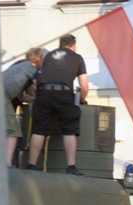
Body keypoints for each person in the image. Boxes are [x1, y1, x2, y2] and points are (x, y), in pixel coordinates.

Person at [26, 34, 88, 176]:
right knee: (69, 129)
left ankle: (31, 166)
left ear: (60, 45)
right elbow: (84, 86)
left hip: (43, 92)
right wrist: (82, 99)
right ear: (74, 46)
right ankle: (71, 167)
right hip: (63, 93)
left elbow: (39, 76)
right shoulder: (77, 57)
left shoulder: (48, 56)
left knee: (39, 129)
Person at [2, 47, 43, 166]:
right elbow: (37, 86)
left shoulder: (18, 66)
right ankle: (7, 164)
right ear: (39, 58)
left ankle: (2, 162)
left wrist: (33, 97)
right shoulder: (32, 68)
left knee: (2, 131)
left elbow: (21, 97)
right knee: (13, 132)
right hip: (2, 96)